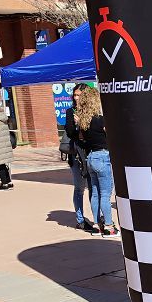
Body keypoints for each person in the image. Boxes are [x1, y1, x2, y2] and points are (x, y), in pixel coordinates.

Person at [81, 99, 118, 237]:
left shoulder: (84, 122)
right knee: (105, 194)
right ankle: (108, 226)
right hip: (103, 157)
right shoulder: (100, 120)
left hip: (91, 157)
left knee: (95, 193)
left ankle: (97, 225)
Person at [65, 85, 98, 231]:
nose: (76, 98)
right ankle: (80, 220)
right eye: (74, 95)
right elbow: (70, 132)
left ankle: (97, 219)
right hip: (77, 156)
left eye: (79, 95)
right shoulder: (70, 112)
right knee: (79, 188)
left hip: (92, 154)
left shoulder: (93, 112)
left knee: (93, 187)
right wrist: (77, 126)